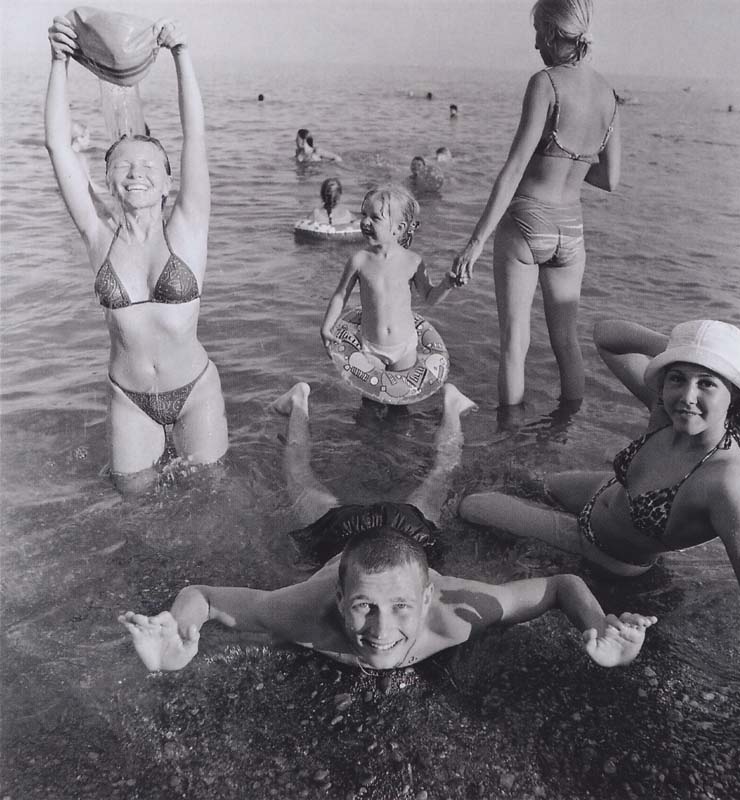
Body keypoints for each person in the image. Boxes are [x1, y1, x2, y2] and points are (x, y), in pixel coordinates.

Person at [119, 381, 656, 674]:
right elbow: (201, 598)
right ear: (338, 597)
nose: (380, 631)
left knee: (437, 476)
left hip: (409, 535)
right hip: (345, 536)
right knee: (302, 477)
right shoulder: (301, 611)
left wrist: (598, 625)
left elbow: (563, 587)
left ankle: (451, 406)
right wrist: (177, 633)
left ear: (427, 599)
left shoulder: (457, 617)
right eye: (363, 606)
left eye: (400, 607)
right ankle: (298, 402)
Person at [459, 319, 740, 742]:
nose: (687, 396)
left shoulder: (730, 488)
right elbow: (605, 336)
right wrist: (681, 351)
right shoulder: (668, 414)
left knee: (472, 506)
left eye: (707, 383)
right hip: (601, 490)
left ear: (736, 395)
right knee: (522, 478)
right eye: (677, 378)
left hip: (597, 544)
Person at [46, 17, 228, 493]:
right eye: (122, 165)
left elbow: (195, 135)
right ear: (108, 180)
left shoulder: (187, 227)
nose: (135, 173)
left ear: (168, 182)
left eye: (149, 165)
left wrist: (181, 54)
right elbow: (57, 146)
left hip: (195, 390)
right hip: (129, 398)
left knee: (210, 495)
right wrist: (58, 62)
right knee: (132, 501)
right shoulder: (98, 234)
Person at [451, 0, 621, 409]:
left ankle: (510, 434)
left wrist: (475, 243)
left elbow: (513, 171)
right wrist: (570, 162)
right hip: (572, 231)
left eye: (537, 34)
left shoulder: (545, 83)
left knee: (514, 343)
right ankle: (568, 429)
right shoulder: (608, 94)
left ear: (550, 31)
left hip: (528, 221)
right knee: (567, 341)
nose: (534, 45)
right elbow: (610, 179)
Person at [320, 186, 456, 372]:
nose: (365, 222)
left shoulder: (413, 262)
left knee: (401, 391)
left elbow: (429, 297)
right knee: (369, 391)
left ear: (399, 229)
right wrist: (327, 327)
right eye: (364, 215)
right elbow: (340, 296)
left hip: (405, 346)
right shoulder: (359, 260)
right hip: (371, 347)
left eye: (375, 218)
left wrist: (447, 285)